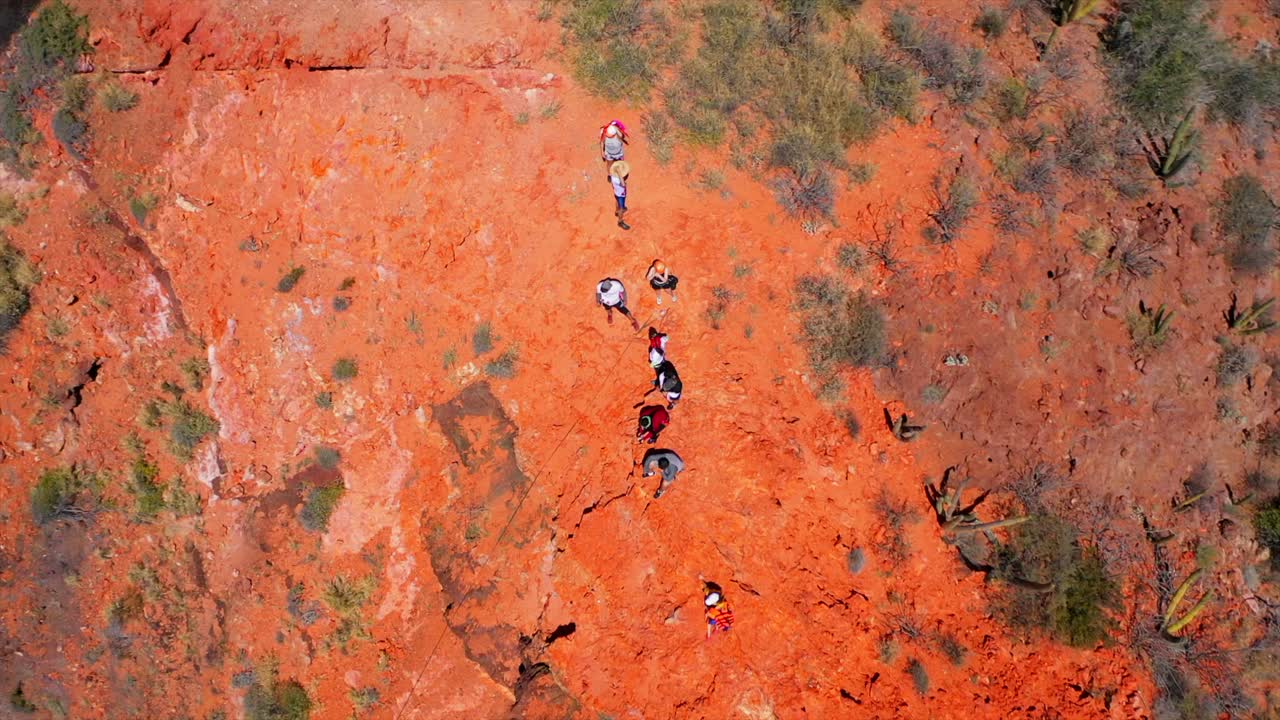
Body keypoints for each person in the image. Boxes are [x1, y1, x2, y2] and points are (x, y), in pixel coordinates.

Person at [610, 161, 630, 230]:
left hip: (616, 193)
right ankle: (620, 221)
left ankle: (616, 211)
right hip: (621, 195)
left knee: (616, 200)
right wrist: (620, 174)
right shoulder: (617, 179)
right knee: (621, 208)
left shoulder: (613, 176)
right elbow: (623, 184)